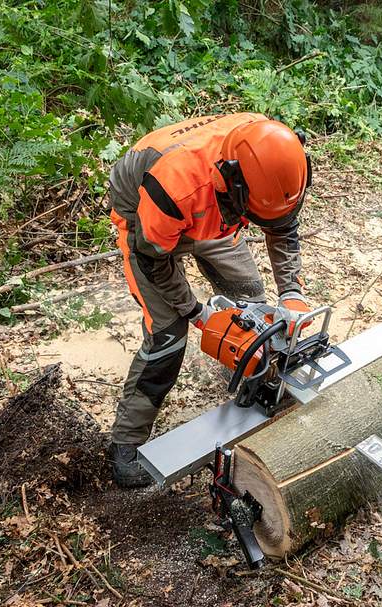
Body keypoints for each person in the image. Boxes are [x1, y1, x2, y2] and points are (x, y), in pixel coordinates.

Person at [106, 113, 312, 488]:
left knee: (251, 304)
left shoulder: (269, 152)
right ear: (230, 182)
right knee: (168, 335)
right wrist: (196, 311)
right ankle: (126, 444)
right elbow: (154, 259)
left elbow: (282, 226)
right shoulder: (173, 185)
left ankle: (251, 385)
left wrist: (291, 293)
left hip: (213, 209)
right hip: (148, 212)